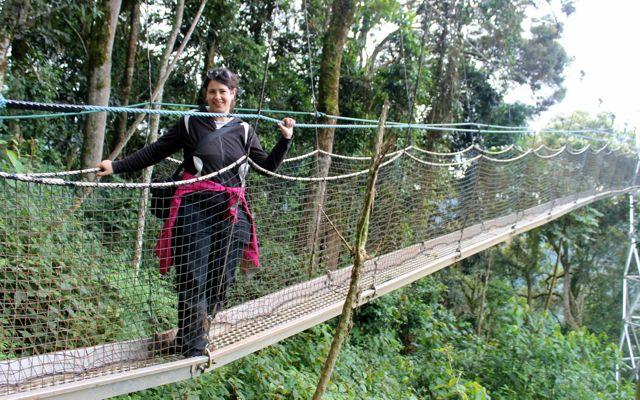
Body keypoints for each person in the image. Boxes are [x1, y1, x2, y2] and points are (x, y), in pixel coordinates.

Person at [97, 67, 295, 357]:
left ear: (233, 95)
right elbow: (155, 151)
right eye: (212, 91)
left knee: (220, 281)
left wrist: (285, 140)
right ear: (206, 93)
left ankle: (191, 333)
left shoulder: (243, 129)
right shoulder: (190, 123)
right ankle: (193, 347)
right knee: (192, 276)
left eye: (223, 92)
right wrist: (116, 166)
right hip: (194, 209)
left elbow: (267, 168)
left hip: (230, 211)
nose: (217, 97)